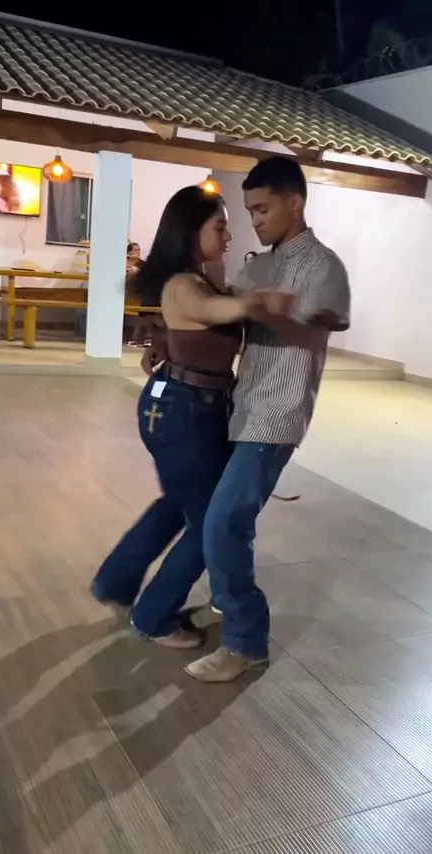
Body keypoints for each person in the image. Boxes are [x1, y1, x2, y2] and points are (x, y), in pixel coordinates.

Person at [91, 185, 291, 649]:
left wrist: (166, 339)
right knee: (209, 525)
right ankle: (154, 617)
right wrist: (254, 302)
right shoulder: (185, 284)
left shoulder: (199, 277)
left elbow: (195, 321)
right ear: (190, 231)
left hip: (189, 406)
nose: (228, 236)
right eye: (220, 227)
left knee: (179, 504)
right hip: (183, 411)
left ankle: (116, 581)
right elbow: (206, 311)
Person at [184, 155, 351, 682]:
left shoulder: (323, 266)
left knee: (225, 520)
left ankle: (246, 641)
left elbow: (321, 326)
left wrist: (274, 312)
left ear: (295, 202)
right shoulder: (257, 266)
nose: (254, 219)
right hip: (242, 403)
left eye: (262, 209)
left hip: (278, 411)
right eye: (249, 210)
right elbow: (226, 315)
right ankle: (224, 598)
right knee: (224, 517)